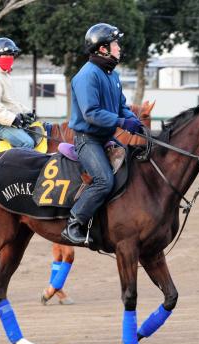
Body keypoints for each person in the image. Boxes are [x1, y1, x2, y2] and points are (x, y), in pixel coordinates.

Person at [61, 23, 143, 245]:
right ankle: (74, 223)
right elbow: (91, 114)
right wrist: (121, 121)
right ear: (102, 48)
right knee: (104, 180)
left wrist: (134, 121)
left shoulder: (112, 75)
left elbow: (121, 106)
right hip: (88, 140)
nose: (119, 48)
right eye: (115, 44)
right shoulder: (87, 76)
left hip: (107, 138)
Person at [0, 37, 34, 149]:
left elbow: (11, 102)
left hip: (6, 121)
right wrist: (13, 119)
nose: (10, 58)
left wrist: (27, 112)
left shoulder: (4, 75)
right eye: (7, 54)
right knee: (28, 143)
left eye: (12, 54)